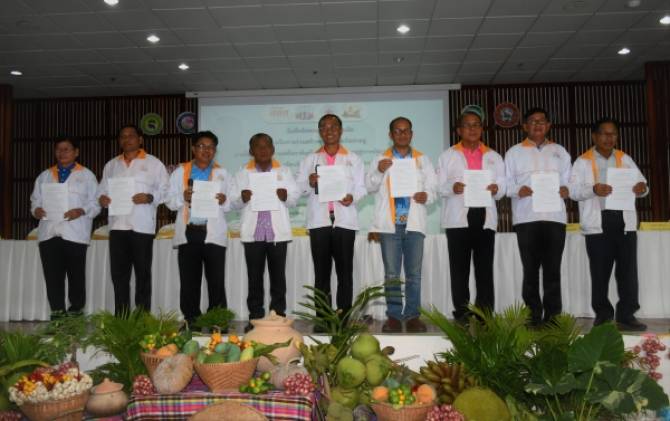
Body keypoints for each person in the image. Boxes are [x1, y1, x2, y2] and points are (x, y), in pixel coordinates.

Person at [569, 118, 648, 331]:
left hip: (623, 221)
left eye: (613, 134)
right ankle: (603, 315)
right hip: (598, 222)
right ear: (594, 136)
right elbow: (573, 191)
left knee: (628, 272)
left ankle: (627, 315)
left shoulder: (625, 158)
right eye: (604, 133)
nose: (609, 138)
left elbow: (642, 184)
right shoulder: (582, 161)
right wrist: (593, 190)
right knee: (600, 272)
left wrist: (642, 188)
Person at [366, 117, 437, 333]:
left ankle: (413, 316)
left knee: (414, 274)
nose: (402, 134)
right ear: (391, 135)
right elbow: (369, 186)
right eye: (397, 131)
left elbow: (433, 189)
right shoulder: (381, 159)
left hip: (413, 224)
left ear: (411, 134)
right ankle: (394, 317)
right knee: (392, 274)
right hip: (390, 225)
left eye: (406, 131)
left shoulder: (423, 160)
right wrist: (379, 171)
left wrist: (427, 196)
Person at [297, 114, 366, 329]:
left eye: (333, 126)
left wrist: (352, 197)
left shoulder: (353, 159)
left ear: (341, 130)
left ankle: (344, 318)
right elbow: (299, 189)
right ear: (320, 132)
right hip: (319, 223)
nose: (329, 131)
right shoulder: (310, 160)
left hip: (344, 223)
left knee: (345, 273)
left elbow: (362, 187)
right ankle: (324, 319)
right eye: (324, 127)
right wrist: (309, 182)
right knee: (322, 274)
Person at [438, 105, 506, 323]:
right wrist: (452, 187)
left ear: (482, 128)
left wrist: (497, 188)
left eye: (476, 125)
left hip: (484, 217)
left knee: (484, 269)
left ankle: (485, 315)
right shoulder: (448, 156)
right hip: (458, 219)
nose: (472, 129)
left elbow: (503, 185)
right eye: (467, 125)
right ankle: (462, 314)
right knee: (459, 271)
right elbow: (438, 186)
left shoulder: (494, 156)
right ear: (459, 130)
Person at [505, 108, 571, 326]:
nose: (538, 125)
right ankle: (532, 316)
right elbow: (505, 184)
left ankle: (553, 317)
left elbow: (571, 181)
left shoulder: (560, 152)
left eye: (542, 121)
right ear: (525, 126)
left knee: (553, 270)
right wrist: (518, 190)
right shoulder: (514, 152)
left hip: (555, 219)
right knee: (530, 271)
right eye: (533, 121)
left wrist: (566, 189)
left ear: (548, 125)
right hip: (526, 219)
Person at [97, 125, 169, 315]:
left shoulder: (154, 164)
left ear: (140, 139)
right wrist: (102, 198)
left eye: (131, 136)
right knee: (119, 275)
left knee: (142, 274)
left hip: (141, 227)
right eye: (123, 136)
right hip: (117, 226)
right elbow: (101, 190)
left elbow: (166, 190)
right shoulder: (111, 165)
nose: (127, 139)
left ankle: (142, 317)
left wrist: (150, 197)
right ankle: (122, 318)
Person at [231, 133, 299, 332]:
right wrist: (242, 198)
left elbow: (295, 197)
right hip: (253, 234)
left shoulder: (284, 172)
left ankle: (278, 317)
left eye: (267, 146)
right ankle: (255, 318)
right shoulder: (242, 173)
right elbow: (233, 202)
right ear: (251, 151)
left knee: (278, 279)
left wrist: (286, 196)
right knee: (254, 278)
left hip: (277, 234)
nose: (263, 150)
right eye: (258, 146)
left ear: (273, 149)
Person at [30, 136, 100, 319]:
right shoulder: (44, 176)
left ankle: (76, 314)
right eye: (59, 149)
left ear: (76, 152)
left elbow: (95, 204)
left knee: (76, 277)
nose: (62, 153)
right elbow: (35, 201)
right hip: (49, 234)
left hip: (75, 234)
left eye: (66, 149)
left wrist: (81, 210)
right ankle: (57, 317)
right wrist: (36, 210)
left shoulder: (87, 176)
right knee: (53, 278)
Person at [166, 131, 231, 326]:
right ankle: (191, 321)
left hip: (213, 233)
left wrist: (224, 200)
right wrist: (182, 198)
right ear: (193, 148)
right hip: (189, 232)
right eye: (202, 146)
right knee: (189, 281)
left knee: (216, 281)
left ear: (215, 151)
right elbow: (169, 201)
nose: (206, 150)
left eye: (211, 147)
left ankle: (217, 321)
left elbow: (232, 203)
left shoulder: (223, 173)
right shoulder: (180, 172)